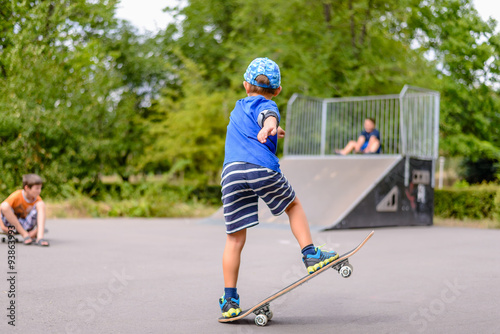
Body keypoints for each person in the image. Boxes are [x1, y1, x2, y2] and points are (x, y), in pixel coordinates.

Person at [219, 57, 338, 318]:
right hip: (260, 167)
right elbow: (266, 115)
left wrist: (273, 129)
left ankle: (229, 300)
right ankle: (310, 254)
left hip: (232, 173)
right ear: (278, 90)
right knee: (293, 206)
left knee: (234, 238)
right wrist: (271, 126)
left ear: (244, 86)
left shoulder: (238, 107)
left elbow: (257, 119)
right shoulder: (269, 104)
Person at [0, 174, 49, 246]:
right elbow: (1, 209)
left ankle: (40, 237)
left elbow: (40, 217)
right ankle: (25, 235)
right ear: (27, 188)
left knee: (41, 204)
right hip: (13, 224)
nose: (39, 191)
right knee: (4, 206)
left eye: (40, 188)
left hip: (27, 225)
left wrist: (35, 231)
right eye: (37, 188)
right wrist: (3, 227)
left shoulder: (37, 199)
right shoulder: (17, 195)